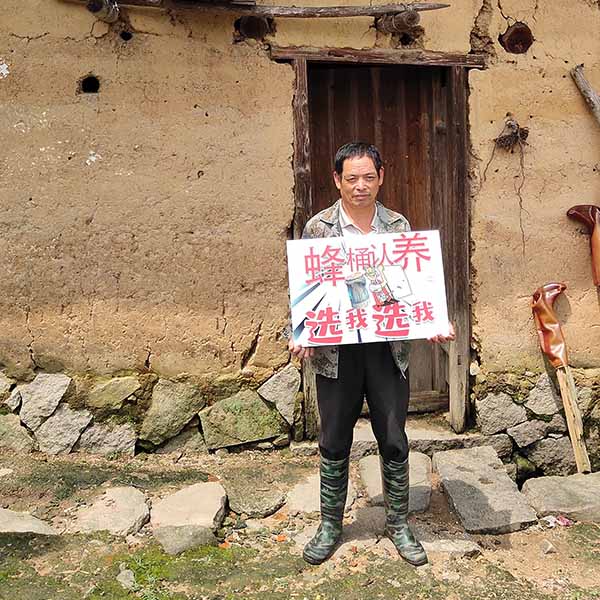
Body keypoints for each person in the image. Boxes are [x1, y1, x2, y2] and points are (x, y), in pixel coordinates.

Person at [289, 142, 455, 566]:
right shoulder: (319, 229)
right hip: (337, 353)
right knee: (333, 438)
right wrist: (304, 331)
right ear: (336, 180)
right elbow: (309, 292)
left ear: (381, 177)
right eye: (351, 178)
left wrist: (433, 320)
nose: (360, 186)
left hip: (387, 351)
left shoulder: (398, 227)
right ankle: (330, 525)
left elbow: (414, 287)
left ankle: (398, 524)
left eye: (368, 177)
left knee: (394, 437)